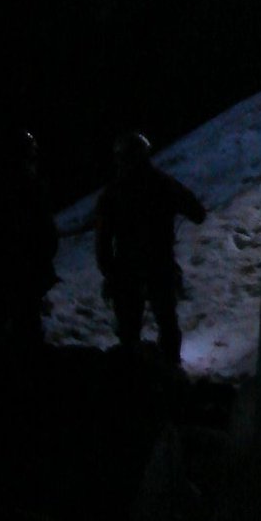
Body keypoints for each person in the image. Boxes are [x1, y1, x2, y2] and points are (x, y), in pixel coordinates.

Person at [94, 131, 206, 363]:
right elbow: (197, 212)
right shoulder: (163, 183)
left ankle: (134, 378)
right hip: (159, 264)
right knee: (166, 324)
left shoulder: (112, 193)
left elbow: (102, 244)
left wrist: (111, 274)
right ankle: (171, 372)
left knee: (129, 331)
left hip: (127, 269)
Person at [0, 130, 59, 348]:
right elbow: (46, 233)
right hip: (21, 274)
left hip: (4, 274)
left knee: (2, 330)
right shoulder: (31, 188)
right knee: (25, 329)